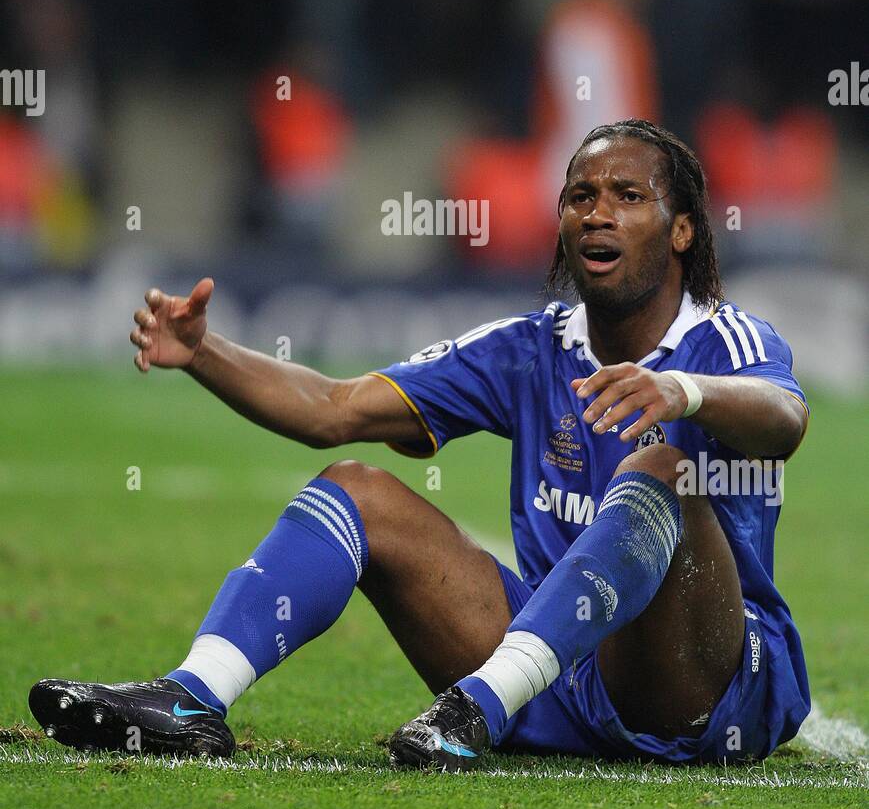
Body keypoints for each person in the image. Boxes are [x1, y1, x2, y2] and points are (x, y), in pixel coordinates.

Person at [30, 120, 810, 770]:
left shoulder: (724, 341)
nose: (596, 214)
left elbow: (782, 419)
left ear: (681, 231)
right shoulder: (529, 348)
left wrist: (685, 393)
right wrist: (205, 354)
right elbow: (334, 408)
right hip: (562, 683)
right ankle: (193, 698)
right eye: (580, 196)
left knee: (659, 470)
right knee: (356, 486)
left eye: (627, 197)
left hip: (702, 689)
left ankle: (476, 707)